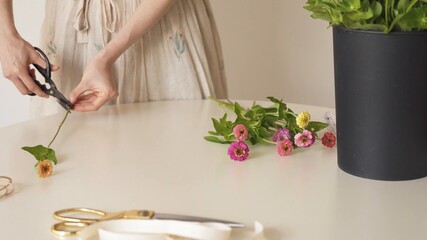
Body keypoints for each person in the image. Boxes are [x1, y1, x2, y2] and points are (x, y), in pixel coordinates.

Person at [0, 0, 227, 116]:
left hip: (158, 28)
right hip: (69, 30)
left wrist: (107, 56)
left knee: (176, 166)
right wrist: (5, 35)